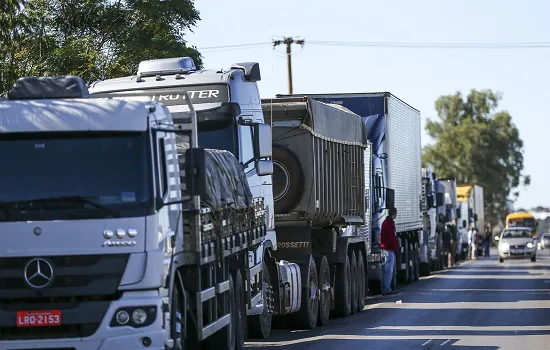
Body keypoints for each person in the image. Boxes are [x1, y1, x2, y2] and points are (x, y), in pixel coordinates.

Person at [380, 207, 399, 296]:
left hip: (384, 249)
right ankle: (387, 289)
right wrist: (395, 247)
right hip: (389, 249)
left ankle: (384, 288)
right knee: (389, 271)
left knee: (384, 271)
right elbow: (391, 238)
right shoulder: (390, 224)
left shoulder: (385, 222)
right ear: (394, 214)